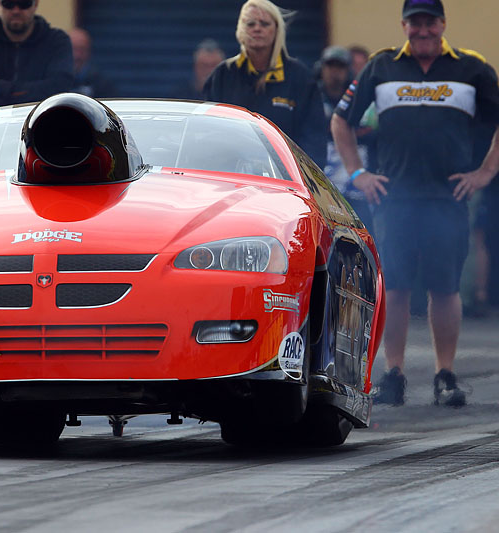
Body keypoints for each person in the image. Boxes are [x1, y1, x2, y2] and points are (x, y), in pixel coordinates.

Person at [331, 0, 499, 407]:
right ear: (404, 25)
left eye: (430, 22)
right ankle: (394, 374)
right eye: (415, 22)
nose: (423, 30)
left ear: (442, 24)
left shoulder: (472, 68)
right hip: (395, 198)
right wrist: (357, 173)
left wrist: (485, 173)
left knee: (445, 288)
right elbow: (341, 121)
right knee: (396, 286)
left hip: (448, 197)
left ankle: (445, 375)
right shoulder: (381, 66)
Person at [203, 0, 326, 167]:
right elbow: (207, 131)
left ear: (277, 30)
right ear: (241, 29)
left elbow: (315, 139)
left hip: (285, 175)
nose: (257, 28)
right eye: (250, 23)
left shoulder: (300, 77)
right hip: (230, 172)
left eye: (264, 23)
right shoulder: (223, 75)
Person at [0, 0, 73, 115]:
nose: (16, 11)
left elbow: (59, 92)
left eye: (24, 3)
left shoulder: (56, 41)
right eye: (8, 3)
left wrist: (2, 88)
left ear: (36, 4)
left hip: (42, 122)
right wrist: (32, 94)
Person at [317, 45, 373, 231]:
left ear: (347, 70)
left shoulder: (359, 97)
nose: (334, 72)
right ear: (321, 68)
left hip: (355, 180)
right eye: (330, 66)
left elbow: (370, 130)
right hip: (322, 178)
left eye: (340, 67)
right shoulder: (312, 95)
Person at [68, 27, 116, 98]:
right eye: (73, 49)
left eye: (82, 49)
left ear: (89, 51)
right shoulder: (54, 80)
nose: (77, 55)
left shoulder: (101, 83)